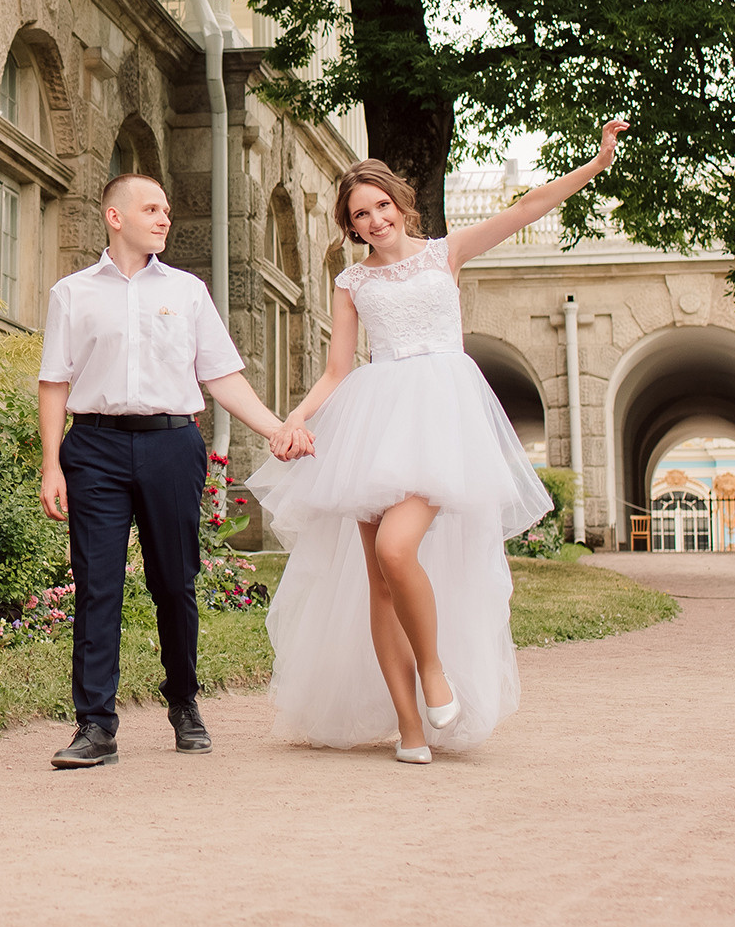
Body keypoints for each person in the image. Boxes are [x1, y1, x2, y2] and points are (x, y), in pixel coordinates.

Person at [250, 120, 628, 763]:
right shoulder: (352, 284)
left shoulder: (443, 254)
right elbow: (338, 370)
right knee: (379, 583)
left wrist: (595, 163)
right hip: (374, 418)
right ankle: (411, 728)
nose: (373, 220)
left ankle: (434, 670)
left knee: (399, 551)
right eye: (359, 215)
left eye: (380, 206)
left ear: (400, 203)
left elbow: (527, 206)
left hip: (439, 415)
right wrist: (296, 420)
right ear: (350, 225)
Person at [38, 173, 304, 769]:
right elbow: (54, 380)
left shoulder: (187, 292)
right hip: (95, 449)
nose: (164, 218)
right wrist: (51, 462)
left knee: (174, 583)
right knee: (97, 585)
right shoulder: (73, 294)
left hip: (172, 445)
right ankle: (95, 726)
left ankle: (184, 702)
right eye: (152, 208)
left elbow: (220, 375)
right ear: (115, 216)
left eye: (166, 208)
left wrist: (275, 427)